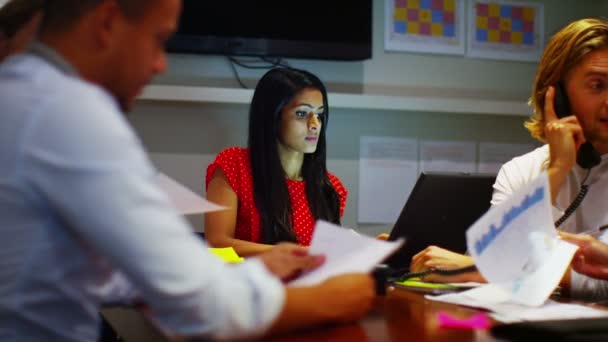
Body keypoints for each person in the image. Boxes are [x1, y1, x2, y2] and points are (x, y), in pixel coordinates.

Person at [0, 0, 375, 341]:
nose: (161, 63)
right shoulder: (67, 113)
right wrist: (330, 299)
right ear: (108, 21)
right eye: (159, 39)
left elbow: (108, 271)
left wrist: (250, 273)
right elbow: (203, 309)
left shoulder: (22, 97)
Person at [410, 18, 608, 299]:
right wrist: (558, 169)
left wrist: (487, 267)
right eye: (597, 85)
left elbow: (602, 281)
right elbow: (494, 259)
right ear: (558, 95)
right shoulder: (520, 171)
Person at [205, 67, 348, 256]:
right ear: (272, 117)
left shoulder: (330, 187)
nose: (315, 124)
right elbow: (217, 246)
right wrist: (294, 255)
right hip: (245, 282)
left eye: (319, 115)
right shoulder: (234, 165)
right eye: (302, 114)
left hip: (309, 285)